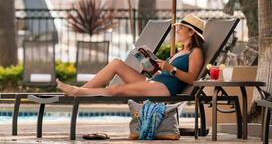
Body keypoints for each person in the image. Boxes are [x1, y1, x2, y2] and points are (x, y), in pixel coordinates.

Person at [57, 14, 206, 96]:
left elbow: (192, 79)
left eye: (181, 28)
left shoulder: (195, 52)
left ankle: (77, 92)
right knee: (116, 63)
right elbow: (163, 72)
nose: (177, 30)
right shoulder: (179, 52)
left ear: (192, 32)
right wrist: (149, 66)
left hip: (165, 88)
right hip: (156, 80)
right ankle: (82, 89)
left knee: (116, 89)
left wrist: (171, 69)